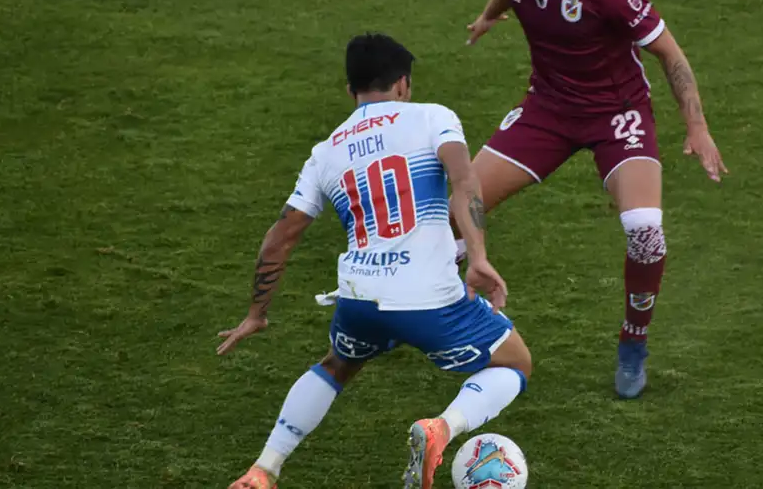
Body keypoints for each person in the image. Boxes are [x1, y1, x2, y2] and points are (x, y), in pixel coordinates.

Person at [217, 33, 532, 489]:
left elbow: (279, 240)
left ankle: (263, 469)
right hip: (429, 299)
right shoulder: (433, 117)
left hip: (359, 299)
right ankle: (442, 428)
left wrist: (256, 313)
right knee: (515, 362)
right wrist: (477, 257)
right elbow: (465, 183)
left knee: (336, 365)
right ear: (403, 83)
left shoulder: (326, 152)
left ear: (350, 90)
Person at [460, 0, 727, 399]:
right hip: (548, 109)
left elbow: (669, 52)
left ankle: (634, 342)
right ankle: (441, 317)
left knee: (645, 232)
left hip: (617, 114)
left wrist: (697, 126)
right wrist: (487, 17)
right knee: (458, 209)